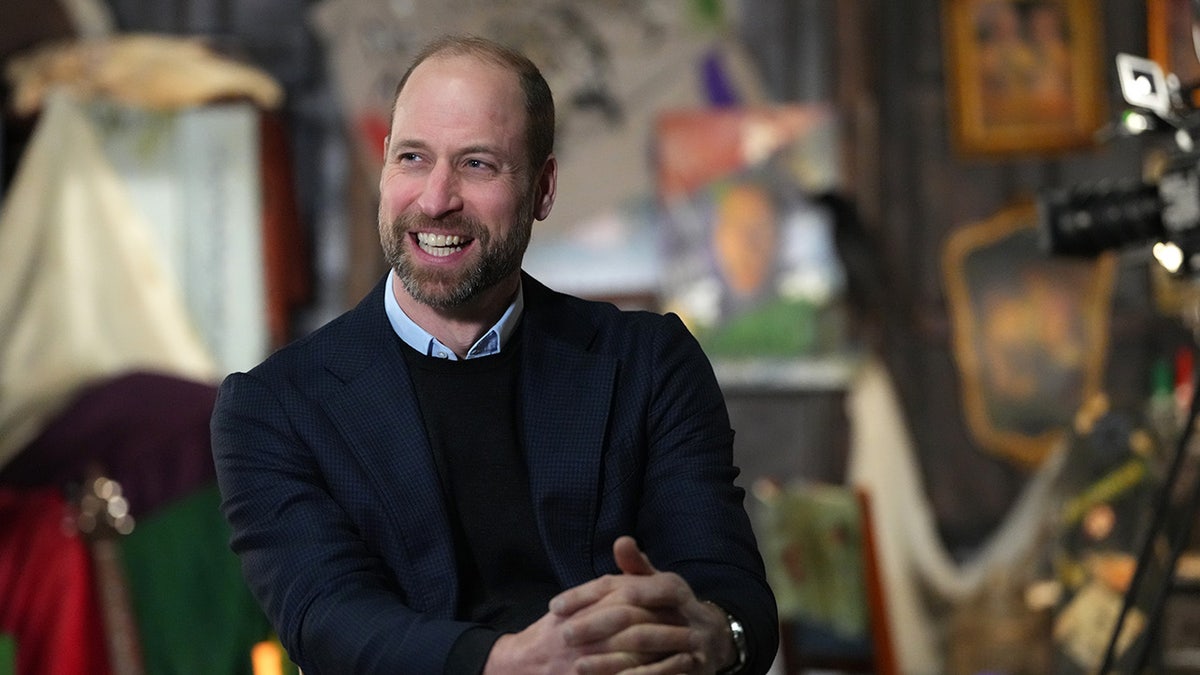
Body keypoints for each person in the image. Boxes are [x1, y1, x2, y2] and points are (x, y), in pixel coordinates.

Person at [210, 34, 778, 674]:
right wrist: (504, 664)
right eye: (412, 158)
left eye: (477, 164)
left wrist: (714, 634)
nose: (435, 199)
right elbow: (328, 619)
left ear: (543, 188)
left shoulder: (648, 365)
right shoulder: (275, 407)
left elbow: (734, 595)